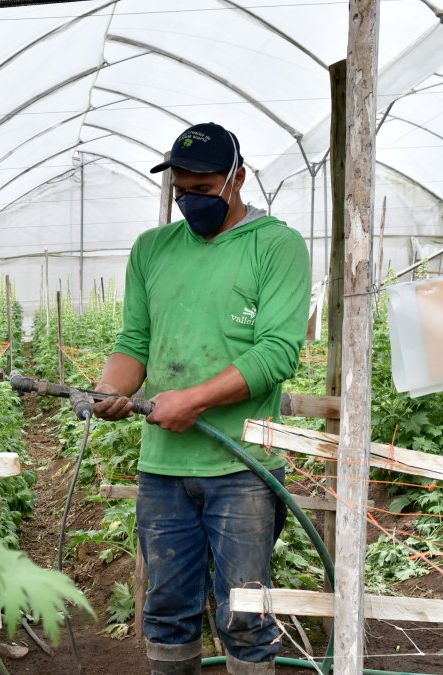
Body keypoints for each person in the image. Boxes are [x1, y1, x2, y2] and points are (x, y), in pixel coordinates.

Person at [93, 123, 310, 675]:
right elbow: (134, 344)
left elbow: (277, 353)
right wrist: (111, 388)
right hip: (163, 468)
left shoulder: (276, 245)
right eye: (181, 190)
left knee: (245, 612)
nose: (191, 200)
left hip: (242, 465)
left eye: (204, 187)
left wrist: (193, 400)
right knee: (165, 608)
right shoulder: (153, 249)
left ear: (237, 178)